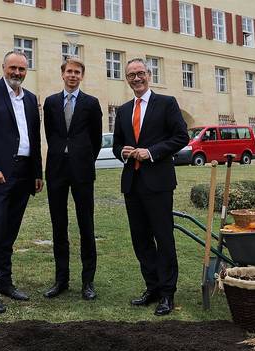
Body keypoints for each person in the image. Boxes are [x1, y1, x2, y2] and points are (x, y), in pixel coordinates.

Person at [112, 58, 189, 316]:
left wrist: (152, 152)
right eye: (131, 75)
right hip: (132, 184)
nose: (136, 78)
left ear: (149, 74)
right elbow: (117, 144)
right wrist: (123, 152)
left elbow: (181, 136)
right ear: (127, 79)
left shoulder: (166, 103)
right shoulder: (123, 110)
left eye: (140, 73)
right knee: (141, 240)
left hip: (158, 184)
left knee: (163, 239)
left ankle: (167, 293)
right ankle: (152, 287)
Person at [0, 50, 43, 313]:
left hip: (24, 174)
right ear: (3, 67)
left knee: (11, 231)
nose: (17, 73)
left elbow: (34, 138)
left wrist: (37, 173)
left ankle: (5, 282)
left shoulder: (30, 98)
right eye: (13, 67)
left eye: (22, 69)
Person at [43, 57, 103, 300]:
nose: (73, 75)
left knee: (86, 225)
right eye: (69, 71)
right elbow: (50, 134)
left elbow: (96, 139)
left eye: (77, 72)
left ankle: (88, 282)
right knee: (59, 225)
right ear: (62, 74)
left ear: (82, 76)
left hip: (82, 171)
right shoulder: (51, 102)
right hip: (56, 169)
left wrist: (83, 158)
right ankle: (61, 280)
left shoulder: (91, 103)